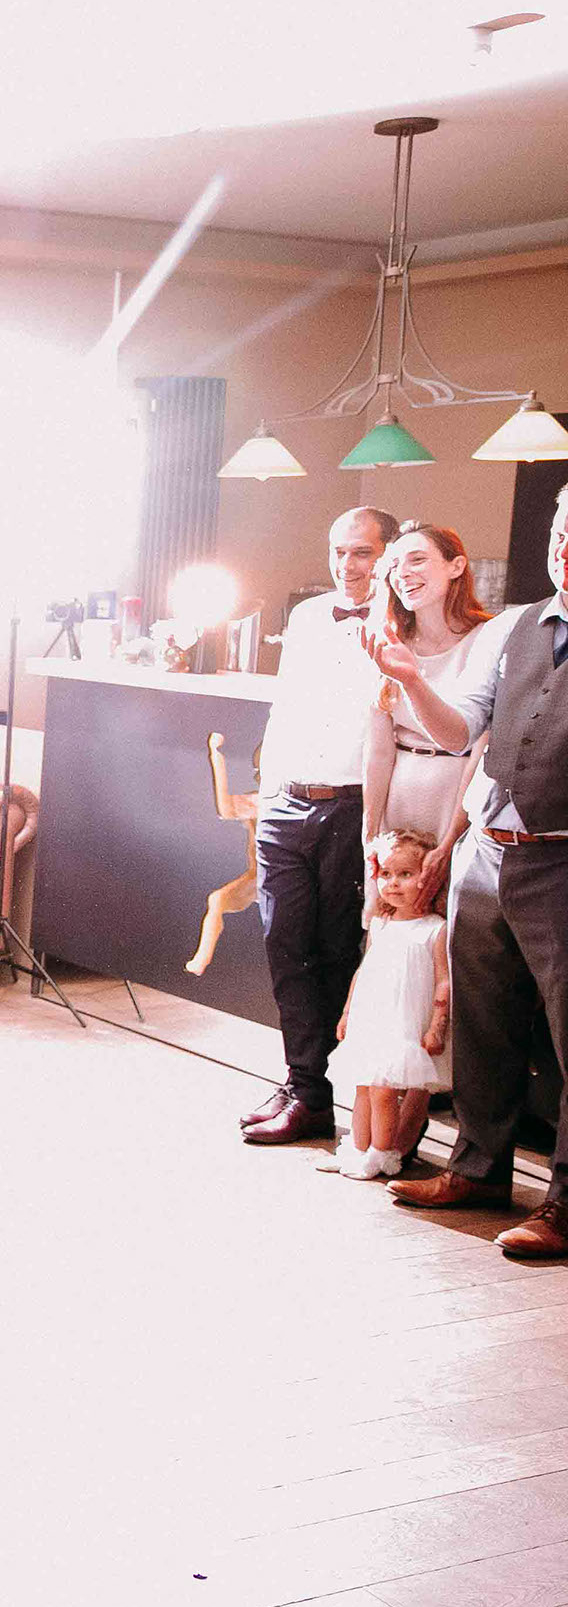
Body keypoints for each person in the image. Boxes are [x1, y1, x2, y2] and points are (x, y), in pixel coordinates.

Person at [371, 485, 568, 1258]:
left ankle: (563, 1203)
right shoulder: (517, 627)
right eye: (560, 531)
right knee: (484, 1025)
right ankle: (480, 1171)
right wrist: (414, 680)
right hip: (489, 851)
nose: (564, 548)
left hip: (562, 856)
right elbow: (461, 734)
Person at [238, 506, 392, 1146]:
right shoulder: (306, 616)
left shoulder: (398, 624)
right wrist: (268, 786)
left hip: (351, 806)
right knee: (284, 947)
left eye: (361, 552)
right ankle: (303, 1084)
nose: (346, 566)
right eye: (338, 552)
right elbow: (287, 703)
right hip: (285, 802)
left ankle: (317, 1094)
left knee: (333, 953)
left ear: (386, 555)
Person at [361, 522, 514, 908]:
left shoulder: (489, 638)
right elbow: (378, 751)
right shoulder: (390, 642)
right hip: (400, 795)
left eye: (417, 560)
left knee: (445, 921)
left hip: (458, 797)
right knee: (393, 920)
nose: (403, 573)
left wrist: (449, 840)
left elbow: (482, 747)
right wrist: (371, 832)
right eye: (395, 565)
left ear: (456, 566)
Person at [320, 829, 450, 1181]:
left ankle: (383, 1153)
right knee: (362, 1085)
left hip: (402, 1024)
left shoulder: (434, 929)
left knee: (383, 1091)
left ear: (429, 878)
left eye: (406, 874)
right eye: (387, 874)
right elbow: (363, 972)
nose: (394, 883)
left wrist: (437, 1025)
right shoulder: (381, 923)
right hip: (371, 1020)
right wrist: (348, 1012)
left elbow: (443, 980)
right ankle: (357, 1150)